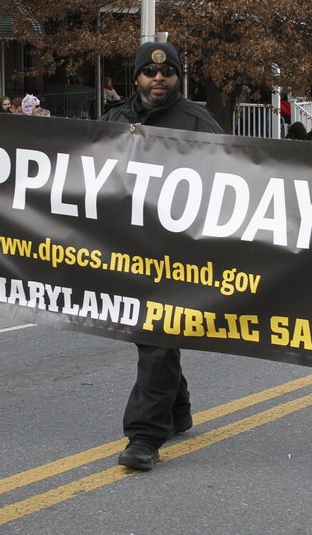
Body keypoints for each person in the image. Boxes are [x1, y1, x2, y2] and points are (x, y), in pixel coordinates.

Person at [101, 41, 223, 471]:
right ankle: (178, 410)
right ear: (136, 77)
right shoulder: (116, 119)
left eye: (167, 73)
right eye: (150, 73)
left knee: (156, 335)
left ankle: (144, 437)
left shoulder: (197, 123)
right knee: (150, 336)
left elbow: (226, 185)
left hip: (176, 254)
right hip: (127, 250)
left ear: (177, 78)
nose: (158, 79)